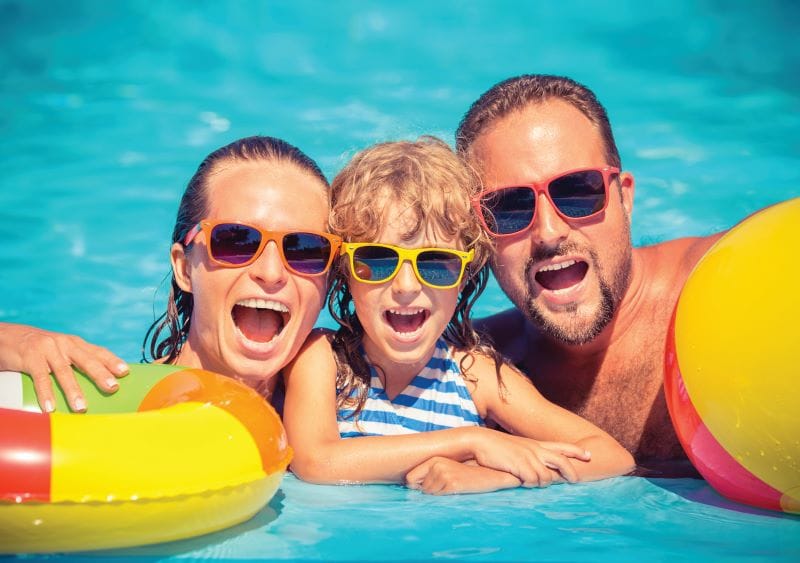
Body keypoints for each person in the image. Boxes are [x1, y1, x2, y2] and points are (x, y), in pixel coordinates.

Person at [283, 137, 634, 494]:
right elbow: (317, 461)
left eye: (435, 264)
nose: (406, 286)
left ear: (465, 275)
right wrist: (470, 442)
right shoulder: (324, 360)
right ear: (345, 271)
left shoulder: (473, 375)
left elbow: (610, 456)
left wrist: (498, 476)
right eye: (377, 260)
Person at [455, 74, 725, 469]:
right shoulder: (469, 365)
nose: (548, 232)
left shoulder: (720, 285)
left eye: (577, 191)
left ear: (625, 197)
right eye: (509, 207)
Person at [0, 135, 338, 410]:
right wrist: (15, 342)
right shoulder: (112, 402)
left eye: (305, 249)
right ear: (184, 267)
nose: (270, 271)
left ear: (327, 282)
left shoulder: (352, 423)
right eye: (236, 241)